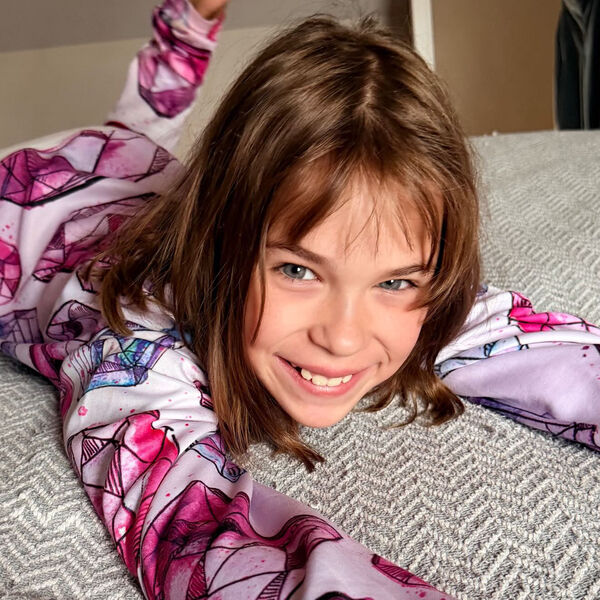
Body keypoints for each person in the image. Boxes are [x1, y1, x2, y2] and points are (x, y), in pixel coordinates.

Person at [1, 0, 599, 598]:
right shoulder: (138, 342)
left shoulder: (416, 291)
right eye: (297, 270)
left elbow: (517, 336)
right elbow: (195, 535)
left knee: (140, 137)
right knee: (134, 143)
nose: (343, 338)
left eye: (393, 282)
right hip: (21, 202)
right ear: (219, 251)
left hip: (132, 163)